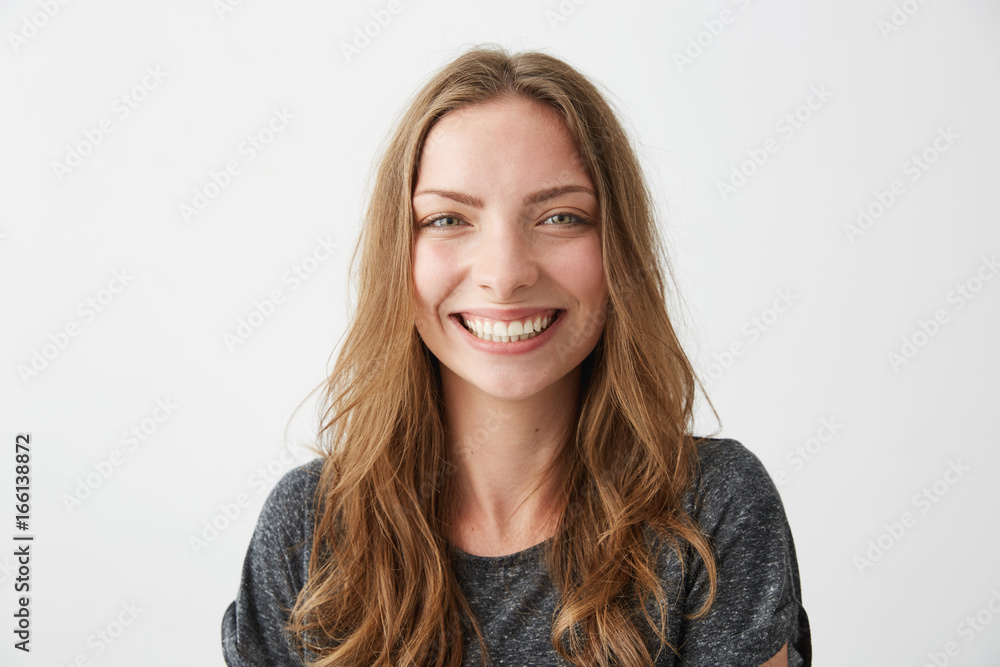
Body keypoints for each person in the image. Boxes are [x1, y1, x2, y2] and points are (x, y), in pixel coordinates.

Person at [221, 44, 811, 667]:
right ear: (399, 254)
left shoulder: (712, 510)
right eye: (448, 220)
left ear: (619, 252)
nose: (504, 275)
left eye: (560, 216)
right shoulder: (311, 532)